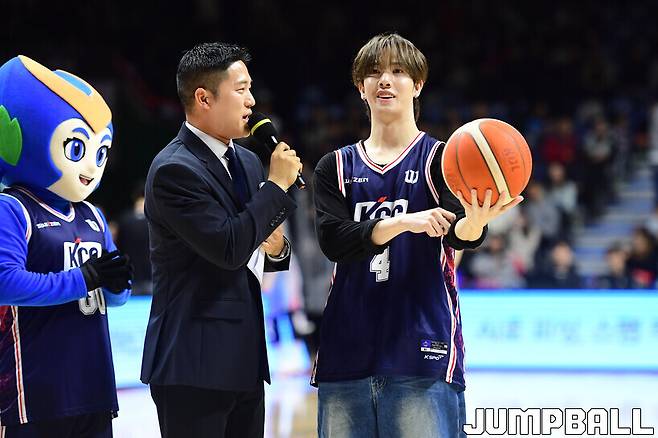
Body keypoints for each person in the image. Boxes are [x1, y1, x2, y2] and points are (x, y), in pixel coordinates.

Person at [311, 33, 523, 438]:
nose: (385, 80)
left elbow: (459, 233)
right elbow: (334, 240)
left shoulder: (444, 158)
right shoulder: (334, 167)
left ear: (418, 84)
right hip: (345, 353)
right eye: (374, 73)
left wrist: (476, 222)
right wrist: (404, 222)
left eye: (397, 71)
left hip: (422, 351)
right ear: (360, 88)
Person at [140, 42, 302, 438]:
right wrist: (277, 187)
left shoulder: (247, 160)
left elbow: (259, 243)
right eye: (241, 89)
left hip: (246, 358)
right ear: (203, 98)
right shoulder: (174, 169)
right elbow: (229, 248)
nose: (252, 101)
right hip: (193, 363)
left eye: (251, 88)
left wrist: (278, 249)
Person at [0, 55, 133, 437]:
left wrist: (117, 284)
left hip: (94, 385)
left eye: (100, 153)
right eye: (77, 148)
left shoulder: (93, 214)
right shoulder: (12, 208)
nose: (91, 167)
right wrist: (83, 278)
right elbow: (5, 283)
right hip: (35, 390)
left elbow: (112, 296)